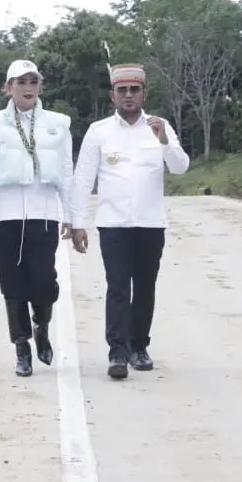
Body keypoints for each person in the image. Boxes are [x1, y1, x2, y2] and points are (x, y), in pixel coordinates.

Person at [68, 62, 190, 380]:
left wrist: (164, 139)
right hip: (114, 224)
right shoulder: (99, 132)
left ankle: (139, 347)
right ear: (113, 95)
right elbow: (83, 179)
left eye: (134, 89)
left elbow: (179, 167)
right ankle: (118, 353)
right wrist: (77, 222)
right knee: (118, 288)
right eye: (122, 90)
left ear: (144, 93)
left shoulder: (159, 126)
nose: (128, 96)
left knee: (145, 287)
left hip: (150, 223)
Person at [0, 59, 74, 377]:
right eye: (21, 82)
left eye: (33, 81)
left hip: (43, 214)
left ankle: (41, 324)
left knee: (44, 282)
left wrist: (71, 215)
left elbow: (67, 172)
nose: (28, 87)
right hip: (6, 215)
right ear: (8, 87)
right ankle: (21, 347)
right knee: (13, 285)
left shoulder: (59, 123)